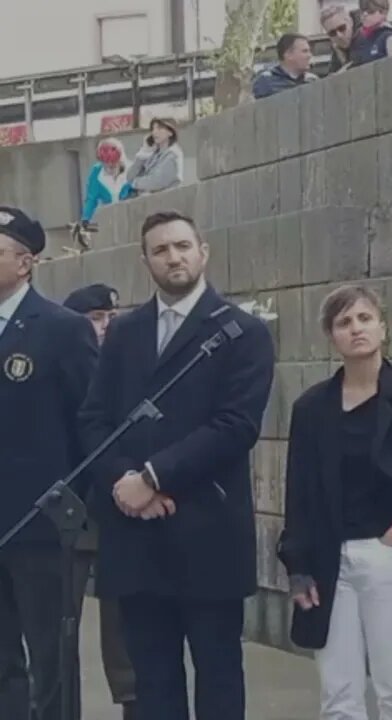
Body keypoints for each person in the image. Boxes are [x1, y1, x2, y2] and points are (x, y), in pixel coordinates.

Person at [78, 210, 274, 720]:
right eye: (161, 249)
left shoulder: (241, 332)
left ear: (203, 252)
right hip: (136, 537)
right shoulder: (123, 333)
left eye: (183, 246)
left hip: (208, 531)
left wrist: (154, 477)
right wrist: (124, 483)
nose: (174, 257)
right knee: (151, 682)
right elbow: (95, 419)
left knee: (218, 676)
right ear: (146, 261)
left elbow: (236, 425)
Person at [277, 284, 392, 720]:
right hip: (328, 561)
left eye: (364, 318)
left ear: (382, 326)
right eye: (344, 322)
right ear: (331, 336)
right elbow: (298, 492)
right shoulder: (311, 408)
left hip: (389, 558)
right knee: (338, 694)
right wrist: (298, 567)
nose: (355, 329)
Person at [0, 207, 99, 720]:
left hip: (41, 525)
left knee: (50, 657)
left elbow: (89, 424)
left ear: (26, 262)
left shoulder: (61, 329)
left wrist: (76, 508)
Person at [64, 283, 137, 719]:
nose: (107, 326)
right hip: (72, 512)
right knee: (56, 626)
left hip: (120, 507)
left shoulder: (130, 366)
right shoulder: (63, 361)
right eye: (95, 318)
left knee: (127, 629)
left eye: (111, 316)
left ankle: (133, 704)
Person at [124, 119, 183, 197]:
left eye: (159, 128)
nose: (154, 132)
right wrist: (143, 153)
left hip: (166, 202)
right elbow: (130, 177)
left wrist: (135, 183)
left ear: (170, 132)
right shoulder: (152, 155)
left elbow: (157, 181)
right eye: (153, 129)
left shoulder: (173, 155)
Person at [81, 138, 131, 227]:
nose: (110, 166)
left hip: (130, 214)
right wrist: (86, 219)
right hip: (110, 218)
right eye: (106, 163)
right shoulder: (97, 173)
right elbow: (91, 199)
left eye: (114, 163)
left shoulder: (131, 169)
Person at [252, 33, 317, 99]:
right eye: (304, 51)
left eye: (309, 51)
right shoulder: (266, 82)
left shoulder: (312, 81)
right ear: (288, 54)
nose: (309, 55)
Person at [350, 0, 392, 66]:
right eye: (362, 11)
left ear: (383, 13)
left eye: (371, 11)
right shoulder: (357, 39)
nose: (365, 14)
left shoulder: (389, 37)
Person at [321, 5, 361, 74]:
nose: (339, 36)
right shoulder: (337, 50)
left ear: (350, 22)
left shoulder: (369, 37)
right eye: (332, 33)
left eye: (342, 28)